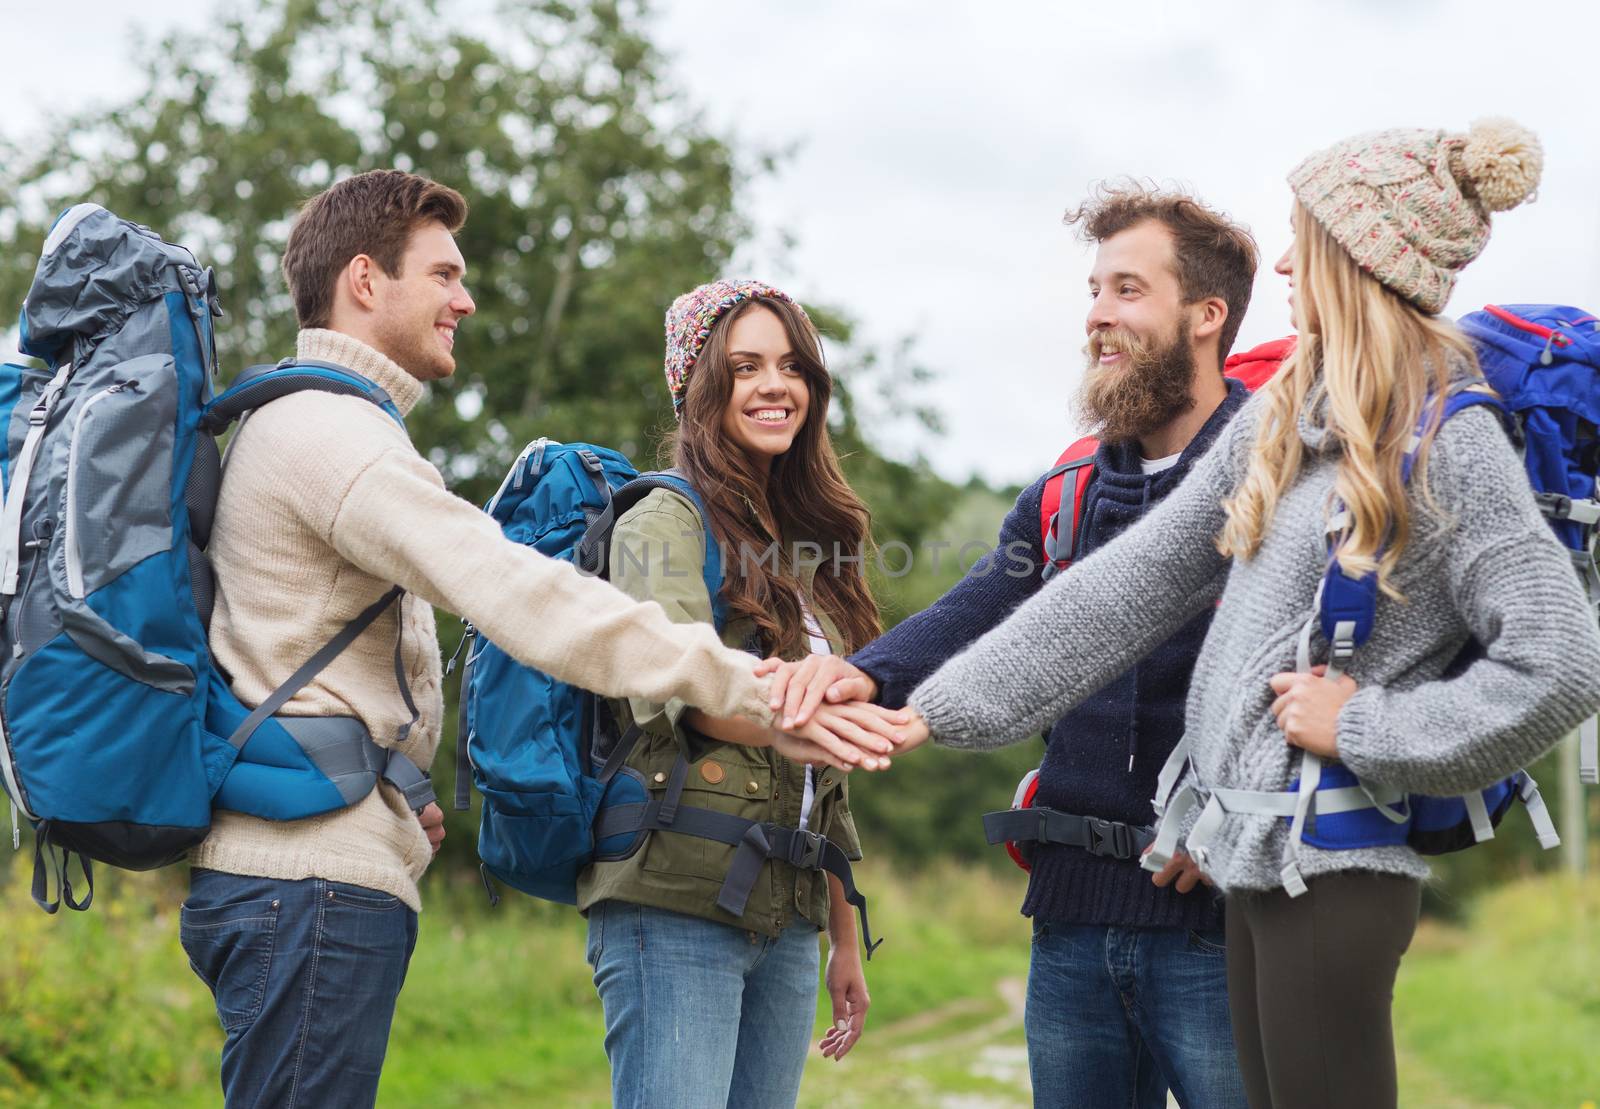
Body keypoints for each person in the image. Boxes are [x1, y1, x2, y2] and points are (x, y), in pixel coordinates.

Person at [888, 120, 1600, 1108]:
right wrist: (935, 707)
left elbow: (1561, 662)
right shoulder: (1290, 421)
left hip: (1339, 869)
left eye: (1303, 236)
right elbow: (1129, 582)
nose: (1283, 261)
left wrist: (1361, 724)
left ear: (1359, 256)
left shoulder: (1448, 439)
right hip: (1257, 859)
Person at [178, 174, 851, 1108]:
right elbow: (521, 594)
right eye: (445, 274)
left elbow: (296, 650)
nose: (466, 298)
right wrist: (742, 682)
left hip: (321, 868)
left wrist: (393, 782)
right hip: (308, 884)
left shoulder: (319, 425)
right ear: (365, 281)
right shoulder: (332, 437)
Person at [766, 184, 1257, 1108]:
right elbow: (987, 602)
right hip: (1069, 916)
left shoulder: (1274, 479)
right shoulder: (1067, 489)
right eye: (1095, 290)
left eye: (1127, 290)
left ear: (1207, 314)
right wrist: (861, 674)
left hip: (1217, 918)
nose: (1098, 317)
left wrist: (1234, 820)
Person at [578, 279, 903, 1109]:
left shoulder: (803, 546)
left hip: (786, 916)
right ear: (699, 386)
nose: (775, 385)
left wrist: (842, 938)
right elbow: (676, 689)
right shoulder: (662, 522)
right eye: (746, 365)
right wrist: (803, 719)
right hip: (676, 902)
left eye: (792, 365)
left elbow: (818, 773)